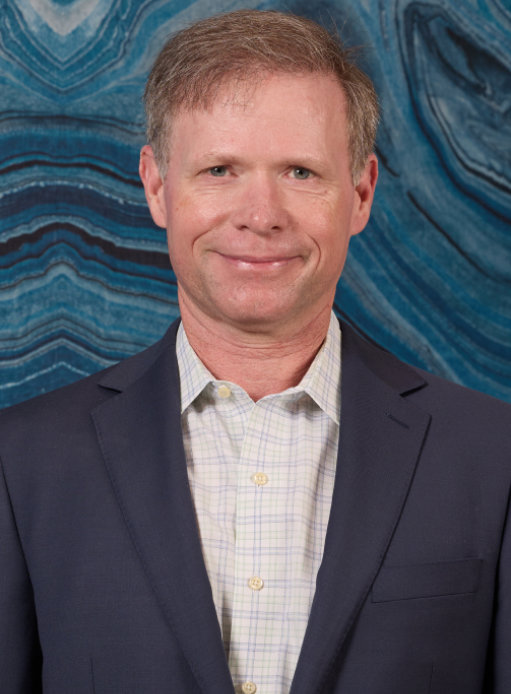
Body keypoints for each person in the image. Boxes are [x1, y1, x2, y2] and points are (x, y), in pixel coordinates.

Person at [0, 9, 510, 694]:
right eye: (219, 169)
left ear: (359, 192)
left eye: (300, 171)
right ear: (156, 187)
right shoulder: (23, 464)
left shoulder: (491, 457)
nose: (260, 213)